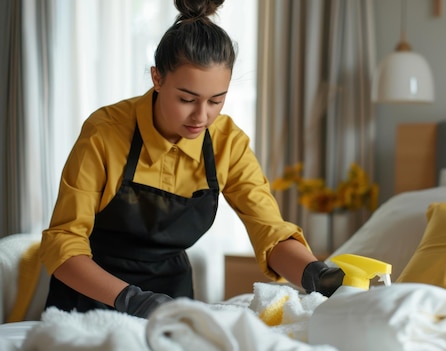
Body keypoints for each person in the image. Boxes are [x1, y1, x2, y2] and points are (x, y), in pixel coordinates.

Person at [40, 0, 343, 319]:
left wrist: (318, 277)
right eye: (187, 99)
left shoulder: (227, 143)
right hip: (90, 296)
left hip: (171, 298)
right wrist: (133, 300)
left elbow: (270, 232)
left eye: (216, 100)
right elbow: (64, 242)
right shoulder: (105, 133)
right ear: (157, 79)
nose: (202, 116)